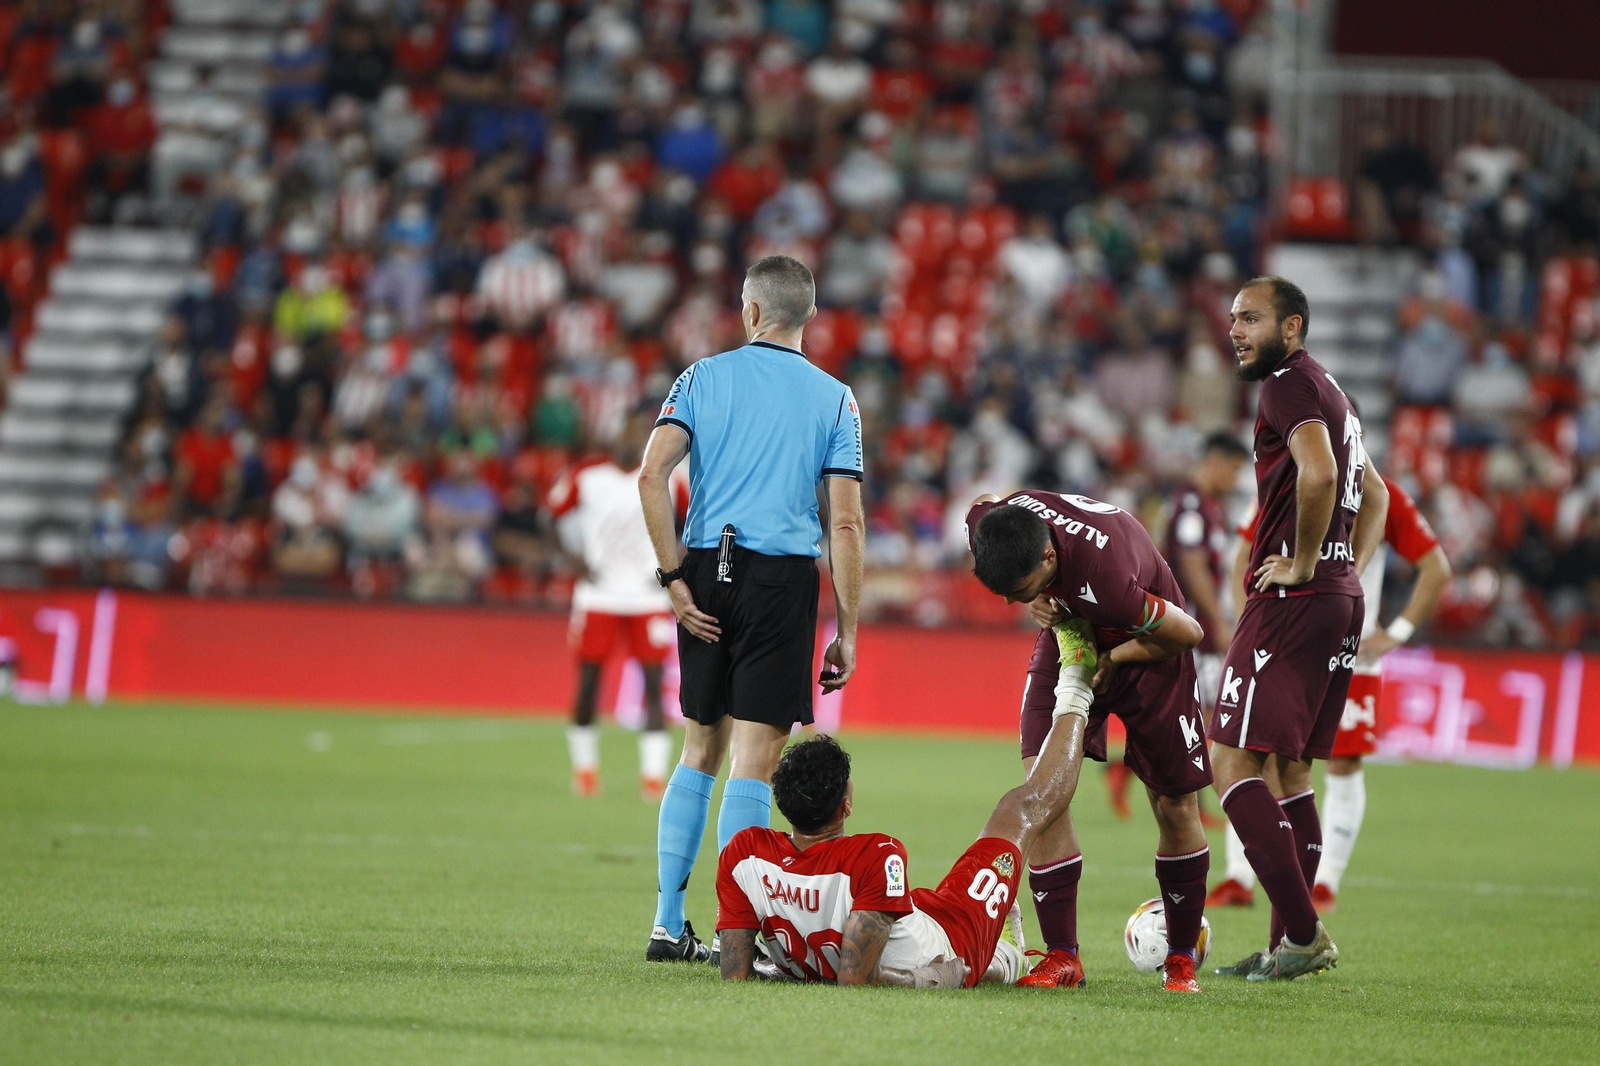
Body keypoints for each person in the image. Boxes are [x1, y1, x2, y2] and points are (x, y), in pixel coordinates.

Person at [639, 255, 865, 964]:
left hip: (707, 567)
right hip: (780, 581)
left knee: (699, 747)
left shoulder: (701, 378)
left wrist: (674, 578)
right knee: (755, 761)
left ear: (751, 311)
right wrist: (847, 629)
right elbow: (847, 524)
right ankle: (744, 933)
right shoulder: (836, 399)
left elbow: (650, 476)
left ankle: (667, 924)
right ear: (809, 317)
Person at [1206, 276, 1390, 981]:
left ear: (1294, 327)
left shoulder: (1286, 384)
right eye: (1232, 319)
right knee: (1289, 770)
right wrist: (1346, 567)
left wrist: (1305, 562)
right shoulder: (1332, 392)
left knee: (1230, 759)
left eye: (1252, 318)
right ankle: (1288, 944)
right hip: (1338, 599)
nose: (1237, 330)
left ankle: (1306, 935)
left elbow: (1317, 478)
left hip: (1295, 600)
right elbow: (1370, 494)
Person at [716, 652, 1093, 988]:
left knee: (912, 904)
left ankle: (999, 948)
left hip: (910, 913)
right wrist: (928, 977)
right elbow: (854, 978)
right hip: (950, 940)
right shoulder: (875, 855)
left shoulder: (743, 853)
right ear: (846, 806)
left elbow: (735, 973)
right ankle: (1078, 686)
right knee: (1021, 808)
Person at [966, 489, 1210, 993]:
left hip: (1149, 649)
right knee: (1042, 788)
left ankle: (1181, 959)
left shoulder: (1110, 579)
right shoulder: (994, 526)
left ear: (1049, 556)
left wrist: (1115, 660)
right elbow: (983, 503)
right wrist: (1039, 597)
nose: (1015, 601)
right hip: (1070, 640)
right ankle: (1062, 958)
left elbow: (1188, 632)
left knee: (1174, 803)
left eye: (1022, 588)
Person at [1208, 474, 1450, 912]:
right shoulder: (1288, 482)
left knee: (1339, 763)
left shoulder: (1383, 495)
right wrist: (1250, 630)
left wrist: (1395, 632)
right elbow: (1241, 556)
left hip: (1348, 652)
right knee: (1254, 756)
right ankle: (1240, 878)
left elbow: (1437, 567)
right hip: (1286, 646)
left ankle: (1324, 884)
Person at [1103, 432, 1248, 820]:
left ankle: (1136, 771)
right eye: (1233, 470)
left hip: (1195, 626)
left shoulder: (1207, 506)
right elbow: (1192, 563)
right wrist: (1217, 622)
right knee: (1205, 712)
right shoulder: (1190, 505)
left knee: (1200, 712)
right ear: (1214, 462)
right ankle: (1177, 789)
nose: (1235, 480)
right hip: (1189, 627)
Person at [546, 413, 687, 802]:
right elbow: (549, 517)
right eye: (627, 434)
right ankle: (586, 772)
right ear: (614, 439)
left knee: (655, 685)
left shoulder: (669, 477)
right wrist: (572, 561)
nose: (633, 442)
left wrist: (676, 565)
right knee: (589, 682)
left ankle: (653, 780)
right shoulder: (587, 477)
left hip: (648, 594)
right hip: (600, 595)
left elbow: (698, 520)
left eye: (640, 435)